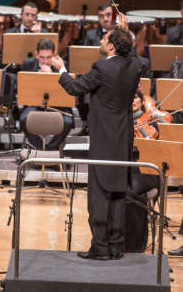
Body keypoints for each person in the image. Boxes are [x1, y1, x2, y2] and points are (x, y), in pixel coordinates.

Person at [52, 26, 142, 260]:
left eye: (104, 38)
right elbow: (130, 56)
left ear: (111, 46)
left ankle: (100, 249)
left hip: (104, 138)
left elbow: (74, 88)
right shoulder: (135, 66)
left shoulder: (102, 67)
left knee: (99, 193)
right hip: (123, 138)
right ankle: (115, 247)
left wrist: (60, 69)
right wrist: (124, 30)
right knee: (118, 193)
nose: (101, 41)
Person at [19, 38, 73, 150]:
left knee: (68, 122)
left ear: (54, 54)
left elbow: (68, 90)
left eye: (49, 57)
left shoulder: (63, 65)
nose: (45, 61)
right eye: (42, 57)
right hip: (34, 104)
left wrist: (51, 75)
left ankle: (50, 148)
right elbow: (24, 88)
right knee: (23, 119)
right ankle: (39, 149)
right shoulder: (28, 64)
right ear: (36, 54)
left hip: (58, 106)